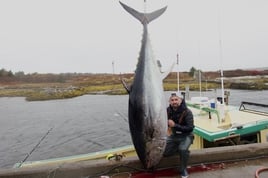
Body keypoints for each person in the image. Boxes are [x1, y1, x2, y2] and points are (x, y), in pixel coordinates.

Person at [163, 93, 194, 178]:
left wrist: (175, 125)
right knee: (164, 152)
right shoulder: (167, 111)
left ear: (181, 100)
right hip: (174, 136)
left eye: (176, 99)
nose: (174, 102)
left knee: (183, 149)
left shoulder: (187, 112)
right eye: (172, 100)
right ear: (169, 101)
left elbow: (190, 128)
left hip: (186, 136)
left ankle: (183, 168)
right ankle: (180, 149)